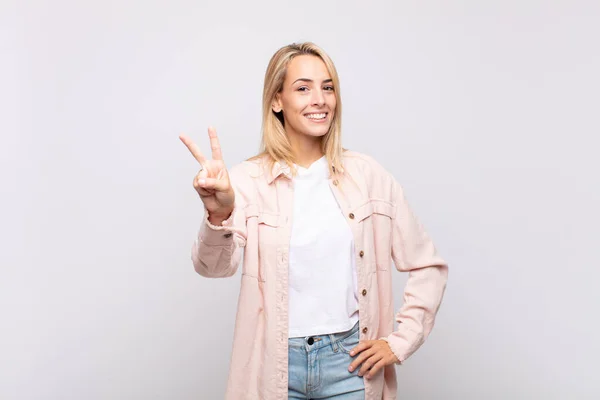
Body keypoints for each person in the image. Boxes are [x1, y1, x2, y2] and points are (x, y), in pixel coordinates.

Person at [179, 42, 448, 400]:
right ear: (277, 100)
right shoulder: (245, 180)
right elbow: (212, 268)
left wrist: (400, 341)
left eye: (328, 87)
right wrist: (219, 212)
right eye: (303, 88)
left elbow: (428, 265)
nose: (319, 99)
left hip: (350, 365)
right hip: (272, 366)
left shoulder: (368, 176)